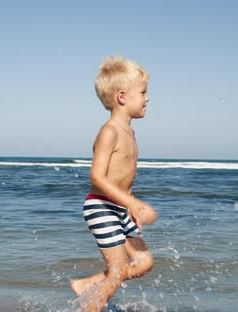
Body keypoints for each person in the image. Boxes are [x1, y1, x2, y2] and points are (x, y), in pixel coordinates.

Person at [70, 56, 158, 312]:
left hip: (120, 207)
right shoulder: (109, 131)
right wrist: (134, 203)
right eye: (142, 93)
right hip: (101, 207)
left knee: (144, 263)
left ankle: (90, 283)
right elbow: (97, 177)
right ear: (122, 97)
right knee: (118, 270)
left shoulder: (131, 132)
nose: (147, 98)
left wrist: (129, 205)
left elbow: (125, 177)